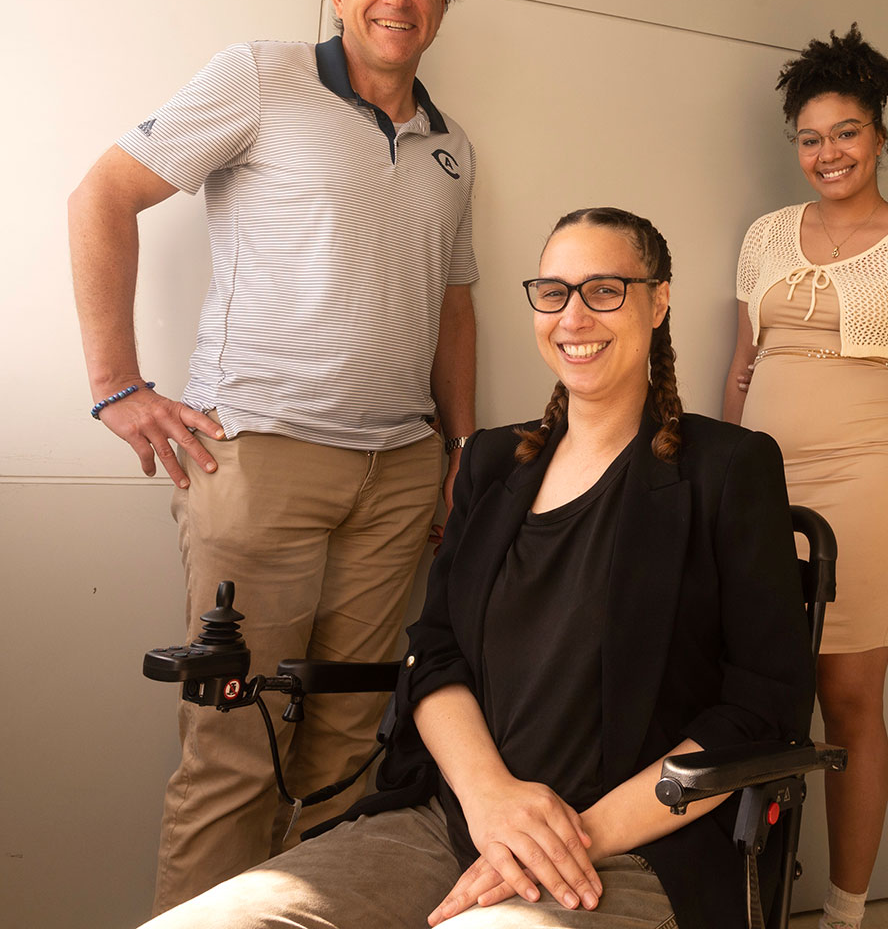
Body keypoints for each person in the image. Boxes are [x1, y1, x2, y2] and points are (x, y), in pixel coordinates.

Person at [135, 207, 814, 929]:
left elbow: (763, 706)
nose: (573, 317)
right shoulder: (492, 464)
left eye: (604, 290)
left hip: (629, 848)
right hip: (450, 822)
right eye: (553, 293)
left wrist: (565, 839)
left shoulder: (729, 468)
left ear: (658, 300)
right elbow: (435, 652)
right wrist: (491, 801)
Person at [68, 0, 478, 913]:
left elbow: (453, 305)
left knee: (349, 744)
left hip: (398, 477)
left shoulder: (451, 144)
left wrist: (459, 447)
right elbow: (102, 196)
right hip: (256, 460)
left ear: (441, 5)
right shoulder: (260, 75)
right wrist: (117, 387)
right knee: (237, 746)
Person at [723, 25, 888, 929]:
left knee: (849, 698)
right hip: (758, 484)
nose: (829, 152)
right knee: (757, 684)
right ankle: (745, 896)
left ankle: (845, 912)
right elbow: (741, 368)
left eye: (848, 132)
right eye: (812, 137)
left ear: (879, 137)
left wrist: (847, 411)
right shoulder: (764, 236)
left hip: (866, 486)